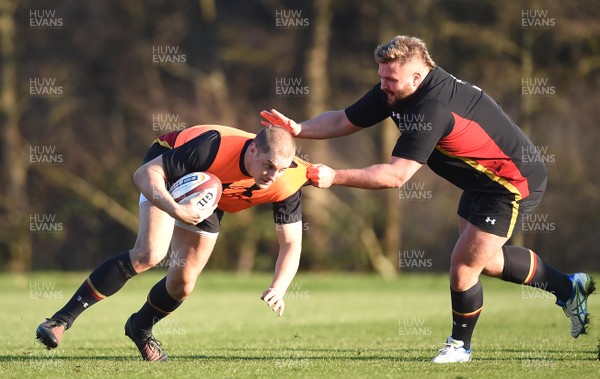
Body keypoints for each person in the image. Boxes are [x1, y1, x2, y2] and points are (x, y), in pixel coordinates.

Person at [261, 35, 595, 363]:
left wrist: (335, 176)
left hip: (510, 183)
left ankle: (459, 346)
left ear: (417, 77)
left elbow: (395, 176)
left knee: (463, 267)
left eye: (390, 79)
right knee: (486, 262)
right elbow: (344, 119)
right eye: (381, 77)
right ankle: (569, 289)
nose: (383, 85)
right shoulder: (395, 90)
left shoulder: (432, 108)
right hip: (481, 183)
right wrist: (298, 128)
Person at [36, 124, 311, 361]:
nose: (274, 175)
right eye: (269, 166)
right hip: (165, 168)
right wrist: (176, 210)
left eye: (282, 169)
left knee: (182, 285)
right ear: (253, 150)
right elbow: (143, 175)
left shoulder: (287, 181)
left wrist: (279, 286)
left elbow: (291, 243)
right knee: (149, 253)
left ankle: (140, 328)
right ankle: (60, 320)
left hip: (210, 192)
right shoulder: (211, 147)